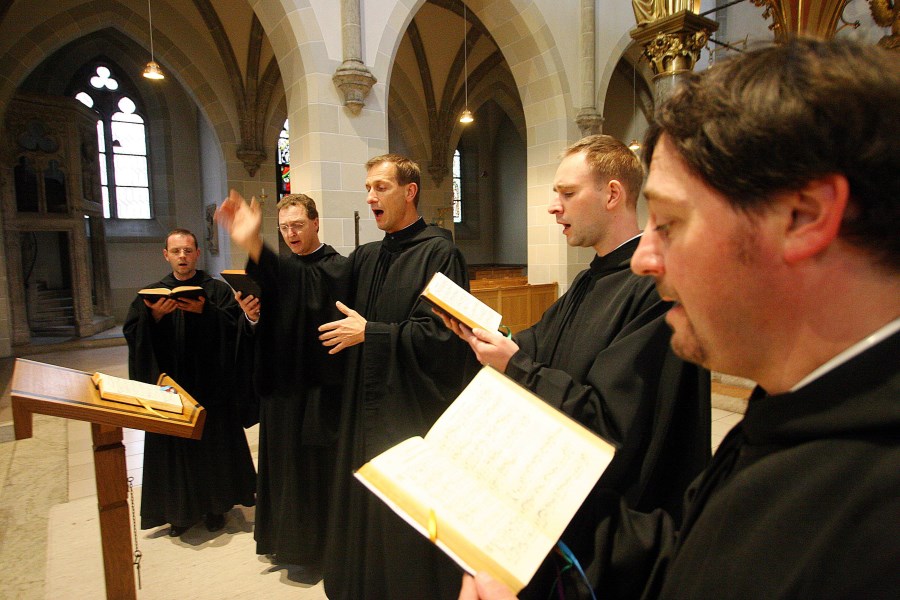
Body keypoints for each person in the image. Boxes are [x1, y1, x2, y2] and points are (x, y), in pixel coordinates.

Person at [460, 37, 900, 600]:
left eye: (669, 223)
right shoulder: (804, 404)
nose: (644, 258)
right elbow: (707, 549)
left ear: (802, 216)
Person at [442, 134, 710, 598]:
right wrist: (486, 334)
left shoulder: (651, 291)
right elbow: (537, 345)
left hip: (616, 537)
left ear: (611, 194)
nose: (553, 206)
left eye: (567, 194)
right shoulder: (590, 279)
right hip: (561, 515)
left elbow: (611, 428)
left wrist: (516, 365)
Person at [317, 154, 476, 599]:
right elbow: (321, 301)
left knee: (404, 516)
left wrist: (372, 332)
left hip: (409, 410)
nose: (370, 197)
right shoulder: (367, 256)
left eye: (381, 187)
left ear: (410, 192)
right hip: (362, 409)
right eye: (368, 188)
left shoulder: (440, 252)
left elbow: (446, 339)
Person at [221, 192, 351, 575]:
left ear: (315, 223)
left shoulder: (338, 268)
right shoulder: (280, 269)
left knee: (312, 470)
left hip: (317, 390)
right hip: (281, 392)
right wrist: (253, 317)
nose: (291, 233)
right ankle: (283, 543)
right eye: (283, 228)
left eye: (297, 225)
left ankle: (317, 550)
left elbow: (309, 299)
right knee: (280, 468)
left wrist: (254, 245)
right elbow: (267, 324)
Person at [124, 228, 256, 537]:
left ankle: (215, 507)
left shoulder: (217, 291)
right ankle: (179, 512)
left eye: (188, 250)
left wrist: (204, 311)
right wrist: (153, 318)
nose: (182, 256)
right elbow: (134, 334)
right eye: (176, 251)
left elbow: (237, 329)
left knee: (212, 448)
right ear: (166, 255)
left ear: (197, 254)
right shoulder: (151, 294)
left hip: (210, 386)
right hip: (170, 386)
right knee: (175, 449)